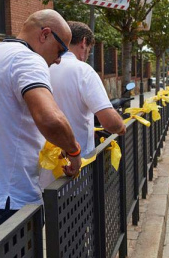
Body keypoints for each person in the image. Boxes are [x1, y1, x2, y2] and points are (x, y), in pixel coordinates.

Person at [0, 9, 83, 243]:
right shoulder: (28, 59)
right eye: (61, 50)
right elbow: (51, 119)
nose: (58, 59)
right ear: (45, 34)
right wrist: (74, 151)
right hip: (9, 196)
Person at [39, 21, 126, 188]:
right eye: (89, 49)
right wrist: (121, 126)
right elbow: (109, 121)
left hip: (41, 169)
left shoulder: (42, 67)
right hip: (73, 169)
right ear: (84, 42)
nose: (87, 54)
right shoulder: (83, 71)